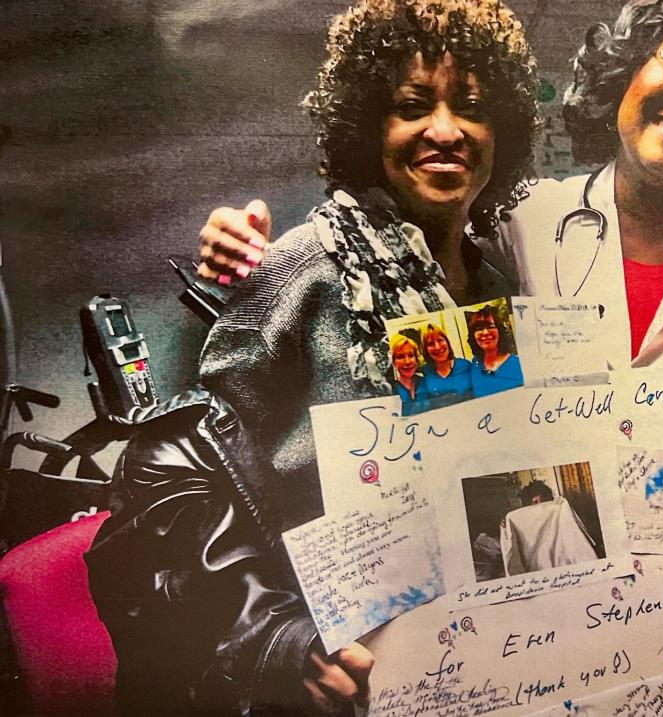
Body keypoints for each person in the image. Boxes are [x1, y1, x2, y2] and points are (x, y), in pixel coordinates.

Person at [195, 0, 663, 696]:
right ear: (624, 74)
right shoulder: (525, 220)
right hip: (519, 627)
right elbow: (386, 256)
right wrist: (247, 243)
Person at [86, 1, 540, 714]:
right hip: (326, 673)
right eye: (411, 106)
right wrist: (275, 640)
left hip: (469, 657)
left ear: (502, 133)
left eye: (474, 110)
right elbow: (174, 473)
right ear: (368, 129)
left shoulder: (496, 284)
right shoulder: (301, 268)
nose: (447, 130)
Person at [465, 304, 524, 397]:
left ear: (499, 331)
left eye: (490, 326)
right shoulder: (473, 366)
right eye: (479, 329)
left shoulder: (519, 364)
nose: (485, 333)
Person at [419, 323, 472, 402]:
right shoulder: (424, 372)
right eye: (431, 344)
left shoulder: (465, 366)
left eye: (440, 340)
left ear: (447, 342)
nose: (437, 347)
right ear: (425, 349)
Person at [389, 333, 429, 415]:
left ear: (416, 359)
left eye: (411, 355)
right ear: (394, 362)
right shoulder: (390, 391)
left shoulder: (428, 382)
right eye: (400, 357)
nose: (407, 362)